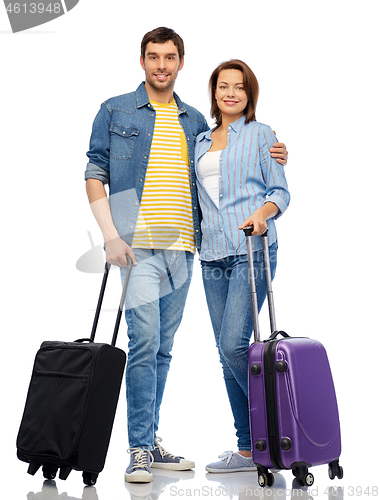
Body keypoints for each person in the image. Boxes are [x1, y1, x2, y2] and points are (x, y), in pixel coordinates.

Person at [85, 28, 288, 483]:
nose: (162, 65)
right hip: (136, 247)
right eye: (153, 57)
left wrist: (275, 151)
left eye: (170, 57)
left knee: (163, 350)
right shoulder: (114, 109)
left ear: (181, 63)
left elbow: (232, 158)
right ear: (142, 61)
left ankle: (153, 441)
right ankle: (138, 447)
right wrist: (110, 235)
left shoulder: (196, 121)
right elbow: (94, 171)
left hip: (186, 248)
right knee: (144, 344)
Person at [194, 60, 290, 473]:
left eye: (239, 87)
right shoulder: (199, 140)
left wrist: (264, 214)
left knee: (235, 345)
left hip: (251, 248)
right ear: (214, 92)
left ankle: (275, 423)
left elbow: (279, 192)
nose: (230, 93)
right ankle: (250, 449)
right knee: (224, 352)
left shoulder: (261, 134)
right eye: (223, 86)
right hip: (212, 252)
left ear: (249, 93)